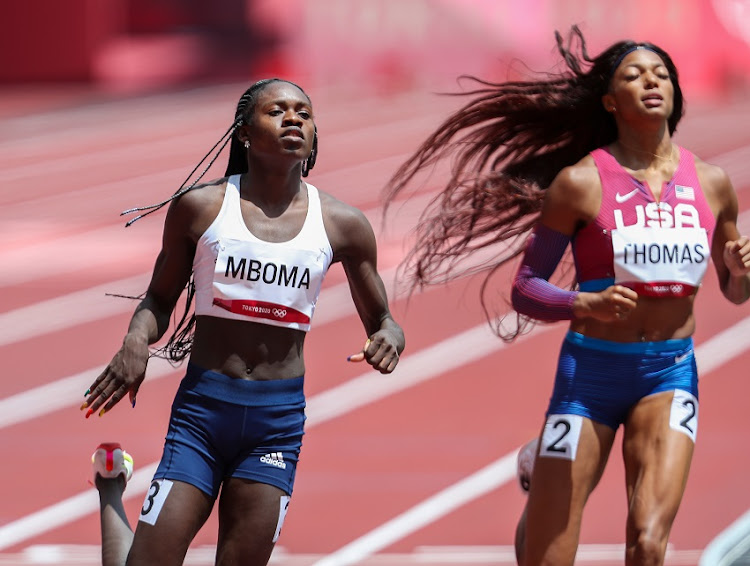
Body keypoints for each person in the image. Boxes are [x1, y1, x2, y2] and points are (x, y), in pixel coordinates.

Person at [384, 26, 750, 566]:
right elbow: (525, 289)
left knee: (649, 545)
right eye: (634, 75)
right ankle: (543, 479)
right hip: (591, 376)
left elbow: (735, 292)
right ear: (609, 99)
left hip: (669, 373)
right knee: (546, 555)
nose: (652, 82)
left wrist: (742, 270)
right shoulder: (579, 183)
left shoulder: (713, 183)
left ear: (675, 90)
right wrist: (585, 304)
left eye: (662, 74)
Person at [81, 78, 405, 566]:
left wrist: (388, 337)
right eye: (277, 111)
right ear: (245, 134)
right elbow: (158, 299)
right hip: (203, 415)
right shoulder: (202, 207)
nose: (293, 119)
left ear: (314, 137)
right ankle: (111, 488)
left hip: (275, 425)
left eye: (304, 113)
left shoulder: (343, 224)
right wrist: (134, 343)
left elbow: (384, 318)